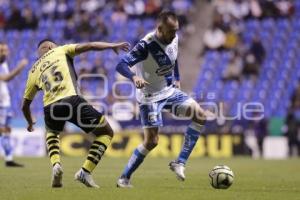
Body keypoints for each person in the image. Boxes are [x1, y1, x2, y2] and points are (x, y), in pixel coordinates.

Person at [115, 10, 210, 188]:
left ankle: (179, 162)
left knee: (201, 115)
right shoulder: (146, 45)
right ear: (160, 28)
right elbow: (120, 64)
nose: (175, 34)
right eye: (171, 31)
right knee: (152, 142)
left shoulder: (173, 38)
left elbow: (174, 59)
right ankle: (124, 178)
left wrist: (177, 78)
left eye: (176, 30)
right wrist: (134, 77)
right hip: (149, 97)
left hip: (168, 91)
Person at [21, 39, 130, 188]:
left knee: (52, 133)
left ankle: (56, 165)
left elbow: (25, 105)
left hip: (50, 107)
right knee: (106, 132)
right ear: (51, 46)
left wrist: (29, 122)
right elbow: (90, 45)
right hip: (71, 100)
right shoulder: (61, 50)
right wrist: (112, 45)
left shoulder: (33, 70)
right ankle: (85, 172)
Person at [0, 42, 28, 167]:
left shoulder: (3, 62)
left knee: (6, 130)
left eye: (6, 50)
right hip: (1, 104)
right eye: (2, 50)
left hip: (5, 102)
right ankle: (9, 159)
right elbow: (5, 78)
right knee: (2, 130)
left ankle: (9, 159)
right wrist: (19, 68)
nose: (5, 52)